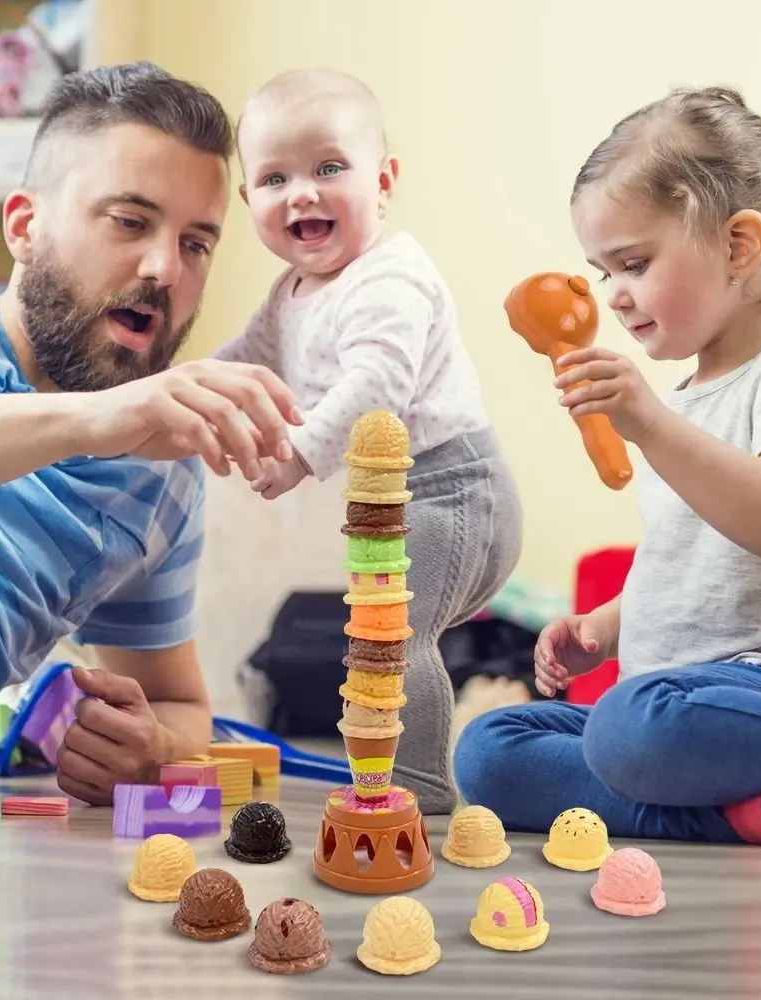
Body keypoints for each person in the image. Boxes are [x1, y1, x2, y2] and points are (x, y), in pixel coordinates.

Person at [0, 62, 303, 805]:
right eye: (130, 221)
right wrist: (92, 421)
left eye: (197, 243)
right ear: (24, 226)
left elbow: (180, 706)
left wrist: (151, 743)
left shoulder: (158, 474)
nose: (165, 267)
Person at [454, 86, 761, 847]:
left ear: (739, 247)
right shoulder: (683, 398)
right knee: (487, 750)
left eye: (634, 263)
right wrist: (605, 630)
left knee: (628, 727)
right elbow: (691, 558)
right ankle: (746, 817)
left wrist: (649, 424)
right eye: (601, 270)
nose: (613, 295)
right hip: (671, 698)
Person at [212, 68, 523, 814]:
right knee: (370, 642)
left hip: (457, 491)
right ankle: (394, 772)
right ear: (249, 200)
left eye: (329, 168)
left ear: (382, 181)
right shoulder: (291, 293)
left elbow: (377, 384)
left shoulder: (390, 276)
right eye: (275, 177)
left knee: (390, 640)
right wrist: (176, 394)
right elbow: (239, 364)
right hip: (397, 503)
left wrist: (297, 450)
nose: (303, 193)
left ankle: (416, 788)